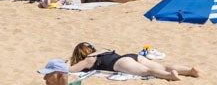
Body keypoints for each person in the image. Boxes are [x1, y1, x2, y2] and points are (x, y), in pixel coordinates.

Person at [68, 43, 201, 81]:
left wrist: (70, 62)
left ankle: (170, 76)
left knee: (146, 72)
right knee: (164, 66)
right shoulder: (103, 50)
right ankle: (189, 70)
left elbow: (70, 70)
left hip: (120, 63)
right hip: (132, 55)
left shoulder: (88, 59)